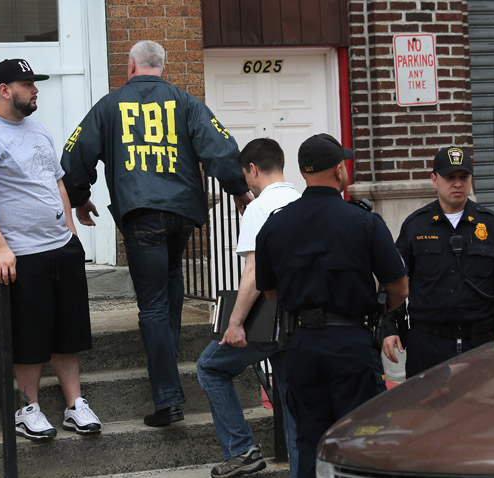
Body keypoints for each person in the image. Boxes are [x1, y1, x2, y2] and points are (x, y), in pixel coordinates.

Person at [59, 40, 253, 427]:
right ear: (161, 66)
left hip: (141, 212)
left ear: (131, 65)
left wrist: (79, 199)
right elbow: (221, 148)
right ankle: (171, 374)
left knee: (152, 305)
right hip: (183, 213)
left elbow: (75, 156)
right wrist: (238, 189)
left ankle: (167, 399)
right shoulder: (185, 101)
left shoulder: (110, 105)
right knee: (171, 284)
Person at [0, 58, 101, 441]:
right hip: (20, 256)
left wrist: (70, 232)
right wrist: (0, 248)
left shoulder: (37, 128)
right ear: (5, 91)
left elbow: (55, 180)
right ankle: (27, 409)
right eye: (28, 84)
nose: (36, 90)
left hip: (59, 249)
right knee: (28, 338)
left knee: (67, 334)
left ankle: (75, 406)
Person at [255, 133, 409, 478]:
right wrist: (379, 315)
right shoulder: (365, 221)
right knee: (359, 440)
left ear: (303, 174)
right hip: (352, 343)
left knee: (310, 439)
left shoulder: (276, 224)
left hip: (302, 345)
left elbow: (269, 292)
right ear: (339, 170)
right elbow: (399, 286)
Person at [196, 138, 300, 478]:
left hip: (267, 316)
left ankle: (241, 450)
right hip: (300, 317)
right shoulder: (301, 200)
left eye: (245, 174)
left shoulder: (260, 207)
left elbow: (254, 272)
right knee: (292, 401)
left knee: (210, 368)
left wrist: (236, 322)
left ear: (252, 169)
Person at [382, 146, 494, 378]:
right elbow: (393, 279)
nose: (457, 183)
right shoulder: (416, 226)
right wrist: (389, 328)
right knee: (426, 412)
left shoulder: (491, 224)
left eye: (463, 177)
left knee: (482, 410)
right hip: (428, 344)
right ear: (434, 179)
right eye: (449, 177)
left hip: (482, 342)